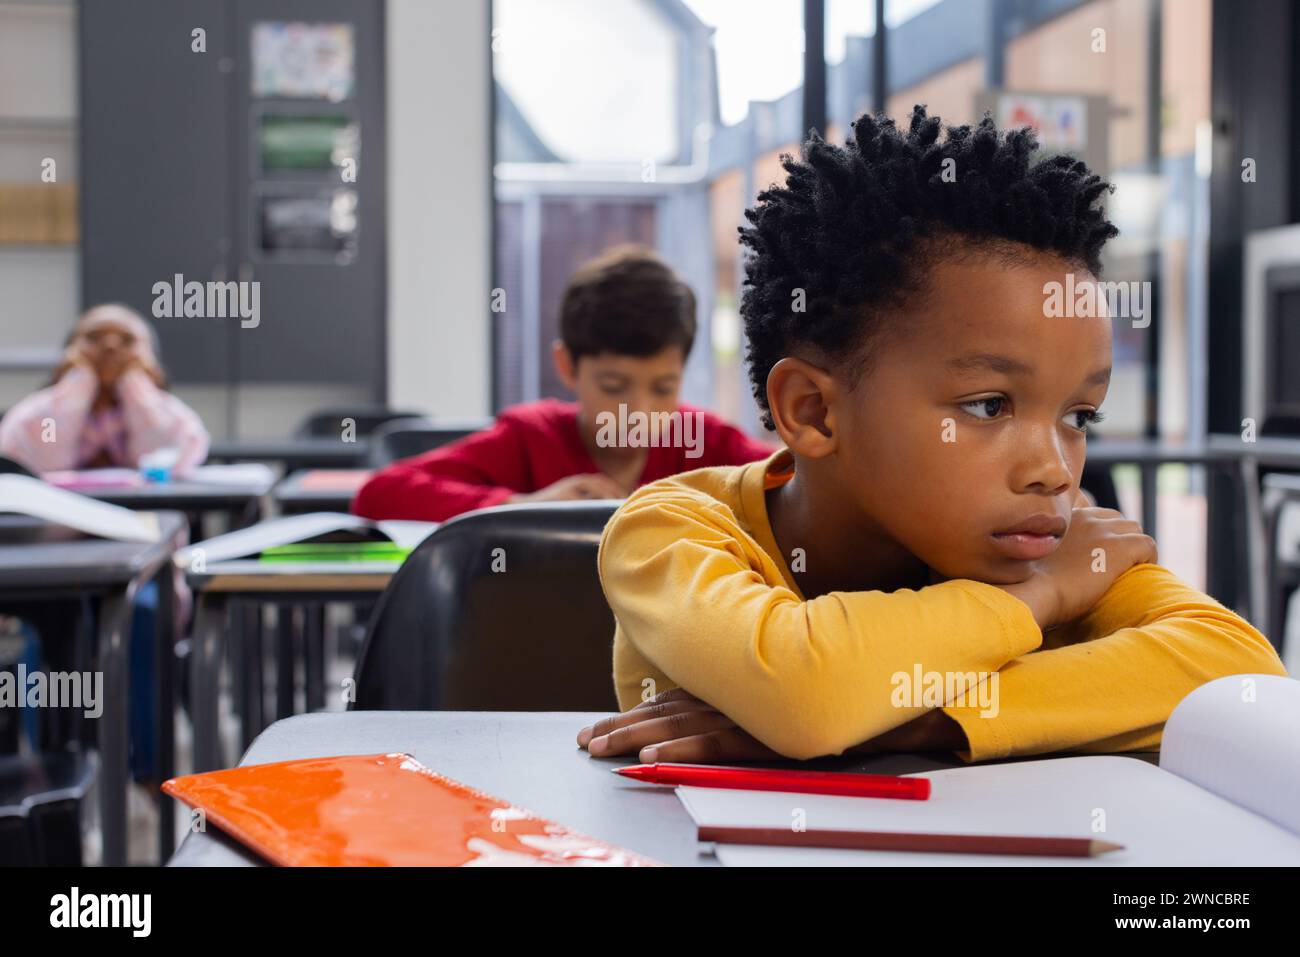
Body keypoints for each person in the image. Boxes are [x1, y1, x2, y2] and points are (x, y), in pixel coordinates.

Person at [577, 107, 1288, 765]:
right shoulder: (668, 530)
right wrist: (1040, 599)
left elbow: (1241, 674)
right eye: (988, 405)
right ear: (815, 412)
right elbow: (806, 691)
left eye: (1078, 416)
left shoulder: (1030, 540)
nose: (1054, 470)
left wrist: (912, 715)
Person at [351, 245, 774, 522]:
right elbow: (378, 495)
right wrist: (524, 507)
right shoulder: (529, 439)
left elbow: (795, 479)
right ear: (566, 366)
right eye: (613, 386)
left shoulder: (703, 440)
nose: (640, 413)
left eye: (663, 387)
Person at [0, 303, 209, 475]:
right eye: (93, 337)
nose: (110, 346)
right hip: (61, 521)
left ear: (151, 358)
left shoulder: (169, 413)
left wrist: (136, 389)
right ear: (68, 352)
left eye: (127, 340)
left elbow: (162, 459)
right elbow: (45, 460)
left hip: (145, 519)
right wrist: (75, 387)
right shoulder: (41, 412)